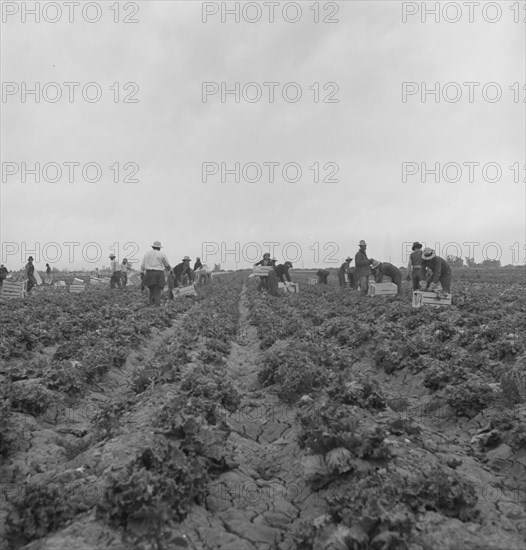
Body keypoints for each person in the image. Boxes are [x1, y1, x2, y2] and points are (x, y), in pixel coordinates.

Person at [140, 240, 171, 306]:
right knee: (157, 291)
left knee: (151, 290)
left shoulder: (147, 253)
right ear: (159, 248)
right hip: (158, 274)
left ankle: (151, 304)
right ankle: (156, 306)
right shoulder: (161, 254)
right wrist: (168, 270)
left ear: (153, 247)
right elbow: (167, 265)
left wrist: (142, 272)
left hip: (149, 274)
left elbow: (143, 265)